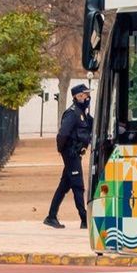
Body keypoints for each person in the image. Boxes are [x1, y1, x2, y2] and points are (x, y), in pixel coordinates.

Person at [45, 83, 93, 229]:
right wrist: (62, 151)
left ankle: (51, 216)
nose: (87, 97)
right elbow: (63, 134)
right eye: (85, 95)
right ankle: (84, 218)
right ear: (78, 96)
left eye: (87, 95)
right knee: (78, 186)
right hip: (71, 153)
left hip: (76, 153)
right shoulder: (72, 113)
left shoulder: (82, 112)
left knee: (64, 185)